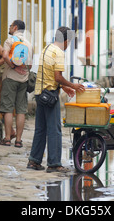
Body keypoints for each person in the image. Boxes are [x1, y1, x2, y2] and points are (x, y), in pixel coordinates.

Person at [27, 27, 85, 172]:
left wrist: (64, 88)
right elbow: (57, 76)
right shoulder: (59, 53)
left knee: (40, 129)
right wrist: (73, 85)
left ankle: (34, 161)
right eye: (69, 42)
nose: (68, 45)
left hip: (40, 94)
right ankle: (54, 163)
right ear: (66, 40)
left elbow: (48, 74)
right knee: (55, 130)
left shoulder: (46, 49)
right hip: (50, 95)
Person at [0, 20, 33, 147]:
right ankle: (18, 140)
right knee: (21, 110)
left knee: (8, 109)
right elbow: (30, 64)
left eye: (10, 26)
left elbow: (5, 56)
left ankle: (7, 138)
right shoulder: (29, 44)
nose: (9, 28)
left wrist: (13, 66)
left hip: (10, 78)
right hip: (23, 80)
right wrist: (23, 71)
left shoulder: (10, 41)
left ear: (15, 27)